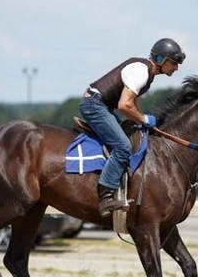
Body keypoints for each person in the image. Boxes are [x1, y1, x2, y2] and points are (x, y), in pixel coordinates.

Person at [79, 38, 186, 217]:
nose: (176, 68)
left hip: (102, 105)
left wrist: (143, 123)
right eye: (173, 63)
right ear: (160, 60)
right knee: (123, 147)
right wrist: (144, 119)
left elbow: (132, 103)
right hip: (95, 106)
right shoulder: (141, 71)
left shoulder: (147, 73)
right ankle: (105, 197)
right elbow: (124, 105)